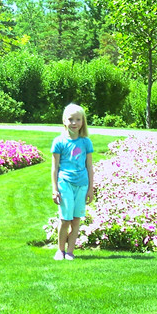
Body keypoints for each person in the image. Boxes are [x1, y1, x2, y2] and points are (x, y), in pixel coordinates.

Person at [50, 103, 94, 261]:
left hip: (82, 185)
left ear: (83, 122)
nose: (74, 123)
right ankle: (60, 250)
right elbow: (54, 168)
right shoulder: (59, 142)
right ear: (64, 120)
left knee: (76, 220)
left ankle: (70, 251)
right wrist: (55, 189)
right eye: (71, 119)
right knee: (65, 219)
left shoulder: (85, 142)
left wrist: (90, 189)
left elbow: (89, 167)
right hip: (65, 184)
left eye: (78, 119)